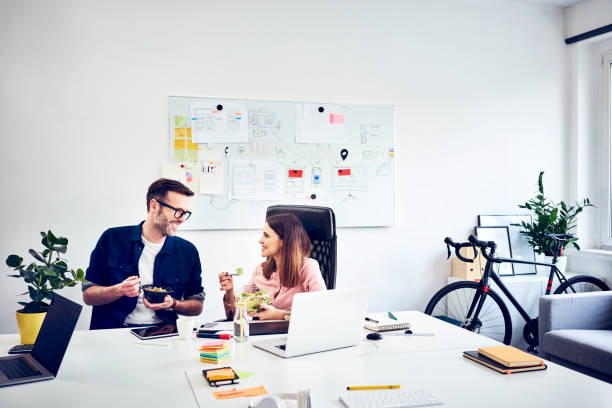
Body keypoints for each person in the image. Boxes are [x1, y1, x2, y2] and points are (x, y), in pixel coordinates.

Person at [82, 178, 204, 329]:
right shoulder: (112, 239)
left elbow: (197, 305)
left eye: (185, 213)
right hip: (114, 333)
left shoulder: (187, 252)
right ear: (154, 206)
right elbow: (88, 295)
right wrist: (119, 290)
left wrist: (174, 303)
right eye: (177, 211)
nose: (182, 219)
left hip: (163, 334)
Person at [219, 213, 326, 320]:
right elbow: (237, 316)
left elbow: (321, 310)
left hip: (295, 334)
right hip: (261, 334)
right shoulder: (260, 270)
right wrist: (229, 291)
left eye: (266, 235)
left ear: (284, 241)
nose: (260, 240)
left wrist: (279, 314)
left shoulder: (308, 268)